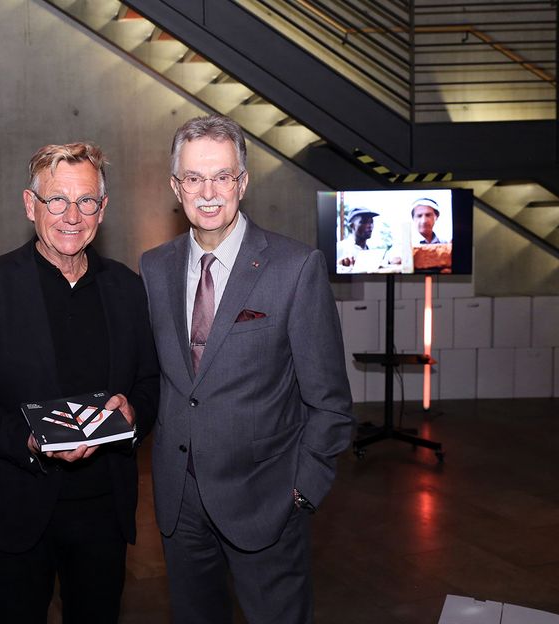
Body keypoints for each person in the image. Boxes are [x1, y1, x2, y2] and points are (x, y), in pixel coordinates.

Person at [140, 115, 354, 624]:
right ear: (176, 186)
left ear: (244, 181)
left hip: (267, 499)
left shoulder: (295, 267)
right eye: (194, 178)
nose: (208, 192)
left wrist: (302, 491)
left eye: (222, 176)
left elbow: (329, 401)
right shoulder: (153, 267)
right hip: (180, 503)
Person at [0, 142, 159, 624]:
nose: (71, 215)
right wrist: (30, 441)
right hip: (16, 511)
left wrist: (134, 413)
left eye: (86, 201)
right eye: (56, 200)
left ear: (102, 209)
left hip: (104, 511)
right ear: (29, 205)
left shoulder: (126, 287)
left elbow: (148, 382)